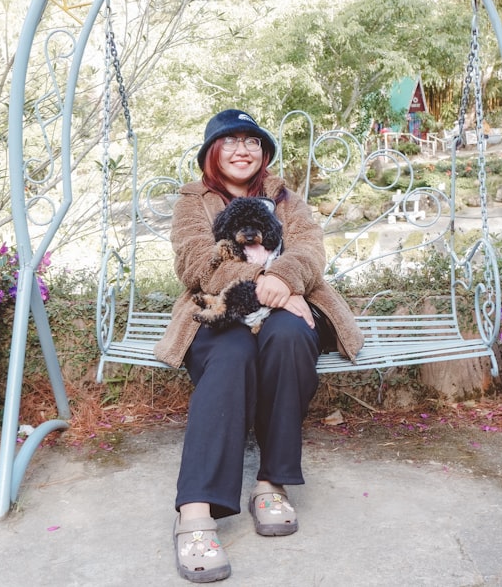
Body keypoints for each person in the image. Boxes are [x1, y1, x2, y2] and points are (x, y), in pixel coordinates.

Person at [154, 108, 364, 583]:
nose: (242, 149)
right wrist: (265, 281)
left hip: (288, 312)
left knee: (290, 338)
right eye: (230, 141)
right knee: (231, 354)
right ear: (213, 151)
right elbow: (194, 262)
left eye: (252, 141)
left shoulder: (286, 197)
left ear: (263, 152)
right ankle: (195, 510)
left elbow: (310, 248)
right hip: (219, 310)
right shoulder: (194, 200)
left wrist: (288, 278)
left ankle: (271, 483)